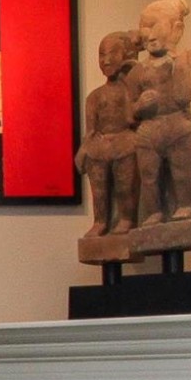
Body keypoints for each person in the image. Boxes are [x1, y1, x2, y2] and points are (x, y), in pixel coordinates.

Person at [128, 0, 191, 223]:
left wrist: (180, 63)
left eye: (154, 26)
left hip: (179, 124)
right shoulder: (138, 71)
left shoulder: (188, 60)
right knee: (149, 176)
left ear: (176, 29)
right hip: (149, 128)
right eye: (144, 27)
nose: (148, 34)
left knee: (182, 172)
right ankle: (154, 211)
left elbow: (184, 95)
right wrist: (139, 106)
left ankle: (185, 205)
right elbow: (130, 112)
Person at [79, 31, 143, 234]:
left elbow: (131, 119)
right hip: (99, 145)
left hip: (124, 142)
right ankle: (100, 221)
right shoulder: (94, 97)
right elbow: (90, 130)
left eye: (112, 54)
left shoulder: (130, 90)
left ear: (125, 55)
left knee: (125, 186)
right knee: (99, 190)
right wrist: (83, 150)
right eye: (101, 55)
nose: (106, 60)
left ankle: (126, 218)